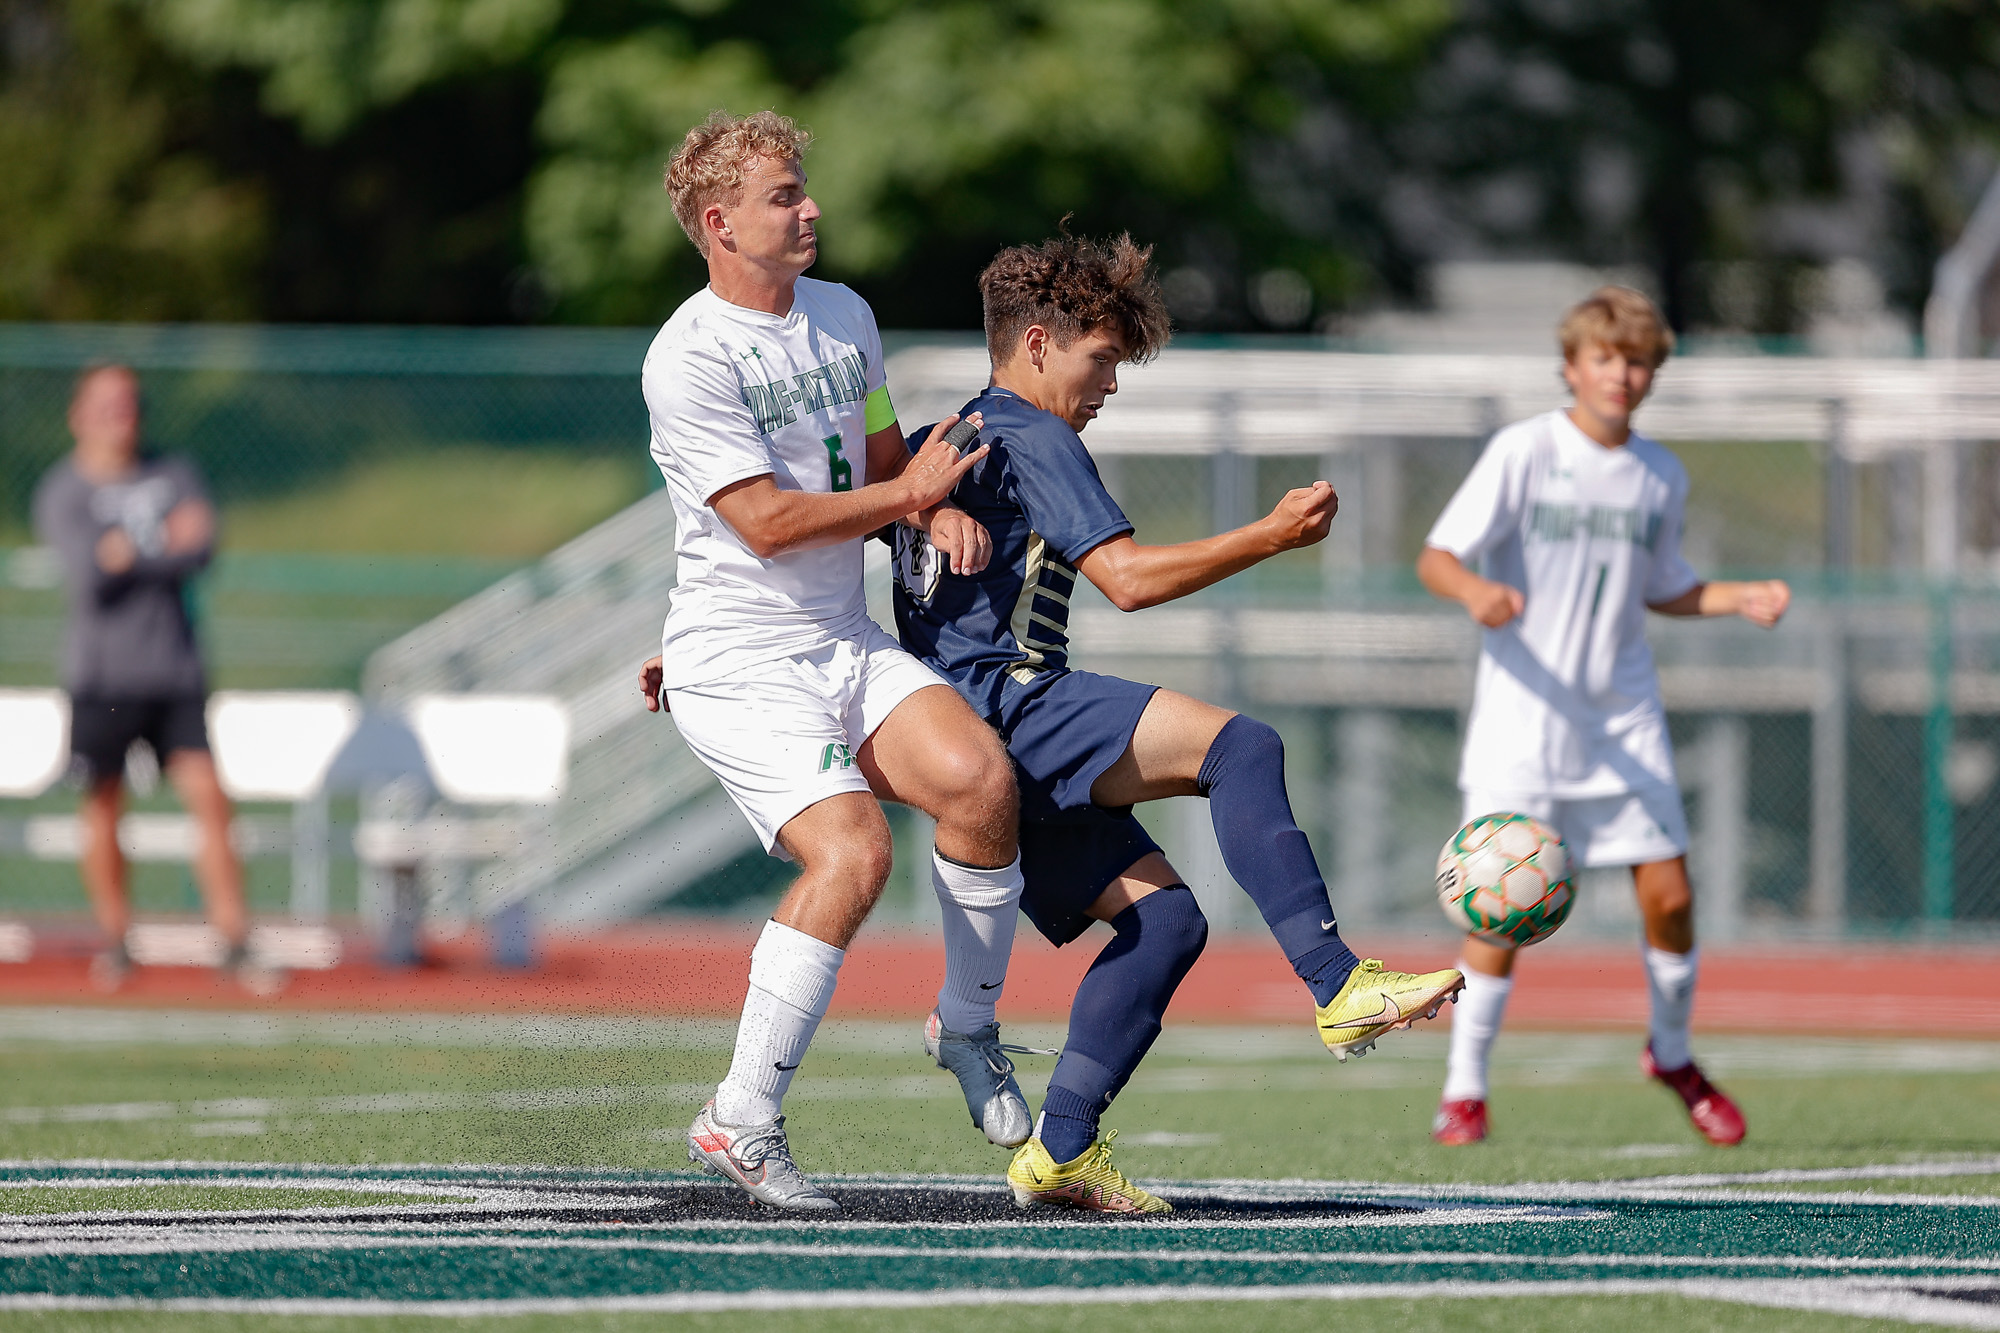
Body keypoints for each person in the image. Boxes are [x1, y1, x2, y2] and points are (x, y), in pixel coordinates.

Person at [891, 233, 1465, 1214]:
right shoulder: (1034, 433)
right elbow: (1127, 579)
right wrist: (1271, 535)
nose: (1109, 383)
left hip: (964, 725)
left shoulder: (940, 433)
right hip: (1008, 699)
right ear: (1035, 343)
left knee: (1164, 922)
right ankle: (1335, 983)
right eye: (1099, 358)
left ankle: (1060, 1149)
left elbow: (842, 517)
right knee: (1243, 745)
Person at [639, 110, 1023, 1213]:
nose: (809, 210)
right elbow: (760, 523)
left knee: (977, 783)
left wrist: (924, 514)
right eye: (781, 197)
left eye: (804, 189)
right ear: (718, 223)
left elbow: (885, 453)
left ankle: (967, 1026)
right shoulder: (690, 355)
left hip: (836, 640)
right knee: (851, 852)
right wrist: (902, 501)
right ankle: (739, 1119)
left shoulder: (845, 314)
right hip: (738, 660)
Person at [1416, 286, 1790, 1148]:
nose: (1621, 374)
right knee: (1498, 907)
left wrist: (1738, 597)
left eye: (1637, 361)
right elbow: (1439, 556)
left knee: (1671, 894)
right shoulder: (1525, 451)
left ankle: (1671, 1051)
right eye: (1605, 358)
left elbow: (1664, 585)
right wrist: (1476, 590)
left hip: (1621, 717)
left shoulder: (1660, 473)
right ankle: (1464, 1088)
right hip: (1521, 721)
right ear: (1571, 366)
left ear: (1653, 373)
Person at [32, 363, 266, 993]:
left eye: (130, 402)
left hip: (175, 671)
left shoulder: (174, 472)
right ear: (78, 415)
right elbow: (91, 576)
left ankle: (233, 938)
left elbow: (203, 547)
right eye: (106, 403)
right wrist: (162, 542)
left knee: (210, 795)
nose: (121, 414)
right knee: (104, 803)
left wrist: (132, 549)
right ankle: (116, 940)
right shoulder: (64, 489)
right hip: (104, 677)